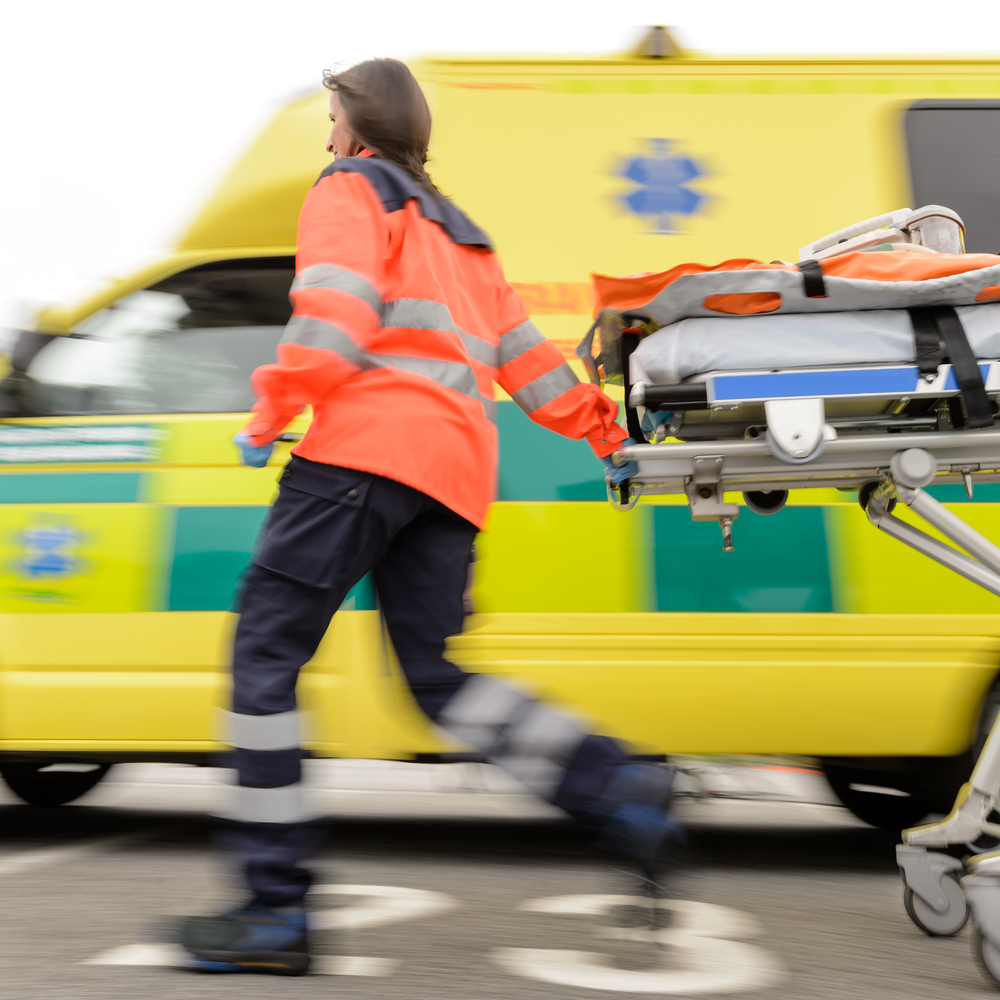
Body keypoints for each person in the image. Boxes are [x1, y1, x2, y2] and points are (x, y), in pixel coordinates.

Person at [177, 57, 667, 976]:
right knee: (436, 677)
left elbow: (333, 315)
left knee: (262, 656)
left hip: (362, 458)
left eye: (331, 117)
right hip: (451, 479)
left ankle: (274, 909)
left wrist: (271, 412)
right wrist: (602, 432)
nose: (327, 136)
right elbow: (528, 362)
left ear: (358, 126)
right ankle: (619, 785)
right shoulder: (465, 235)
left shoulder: (348, 189)